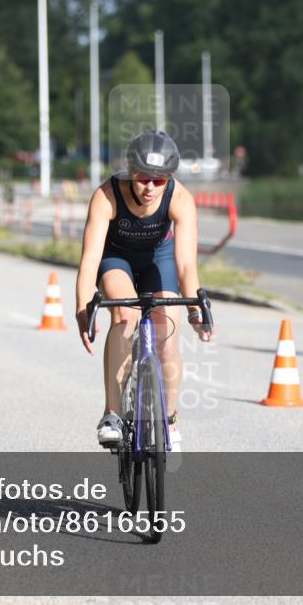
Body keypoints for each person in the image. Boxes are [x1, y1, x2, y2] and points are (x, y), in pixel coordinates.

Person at [74, 130, 213, 451]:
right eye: (143, 179)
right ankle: (111, 415)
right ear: (130, 172)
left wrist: (195, 310)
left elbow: (186, 266)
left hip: (158, 258)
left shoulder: (180, 198)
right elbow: (90, 259)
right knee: (125, 315)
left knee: (167, 334)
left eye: (159, 181)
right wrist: (82, 307)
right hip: (116, 256)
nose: (150, 187)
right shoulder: (106, 195)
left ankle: (171, 420)